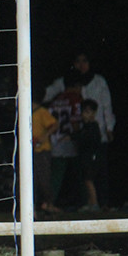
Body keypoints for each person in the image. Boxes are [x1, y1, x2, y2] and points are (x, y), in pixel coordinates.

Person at [45, 51, 116, 207]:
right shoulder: (64, 87)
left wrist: (109, 128)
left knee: (94, 172)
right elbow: (46, 97)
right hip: (73, 138)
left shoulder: (98, 82)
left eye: (85, 61)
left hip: (92, 135)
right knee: (82, 174)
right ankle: (89, 203)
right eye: (78, 61)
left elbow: (106, 105)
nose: (82, 65)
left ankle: (98, 204)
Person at [45, 69, 83, 209]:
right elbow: (75, 121)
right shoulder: (75, 98)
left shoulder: (56, 98)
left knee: (56, 174)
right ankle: (51, 203)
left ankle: (51, 202)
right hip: (69, 141)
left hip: (54, 140)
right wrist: (79, 136)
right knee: (77, 173)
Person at [31, 85, 59, 215]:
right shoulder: (23, 112)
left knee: (44, 180)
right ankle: (32, 209)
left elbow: (54, 124)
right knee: (31, 182)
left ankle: (49, 204)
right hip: (29, 152)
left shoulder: (41, 112)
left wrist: (44, 136)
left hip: (42, 152)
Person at [75, 99, 103, 212]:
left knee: (88, 180)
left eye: (88, 112)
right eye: (83, 112)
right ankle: (89, 202)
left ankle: (94, 203)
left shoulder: (93, 126)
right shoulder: (85, 127)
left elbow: (91, 142)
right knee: (85, 180)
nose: (85, 115)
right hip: (85, 157)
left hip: (91, 157)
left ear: (94, 113)